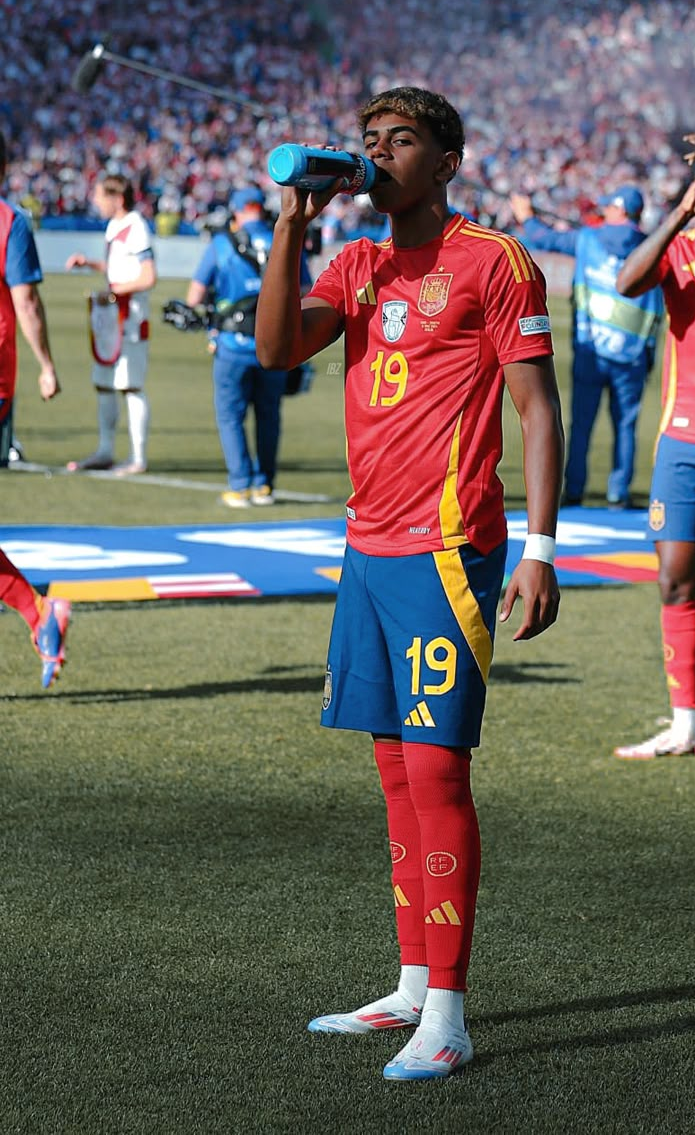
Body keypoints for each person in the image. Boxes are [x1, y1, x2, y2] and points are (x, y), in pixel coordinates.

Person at [256, 87, 564, 1081]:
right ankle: (407, 981)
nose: (377, 154)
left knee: (437, 774)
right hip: (367, 550)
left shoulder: (494, 259)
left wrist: (542, 547)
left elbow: (536, 407)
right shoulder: (354, 261)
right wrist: (289, 231)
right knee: (393, 774)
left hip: (444, 553)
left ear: (447, 160)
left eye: (400, 140)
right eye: (369, 141)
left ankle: (449, 1011)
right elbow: (274, 348)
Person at [613, 133, 695, 759]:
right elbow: (627, 282)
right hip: (684, 444)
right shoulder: (679, 246)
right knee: (674, 584)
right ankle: (684, 723)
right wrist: (678, 215)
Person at [510, 185, 663, 508]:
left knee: (580, 426)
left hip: (591, 351)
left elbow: (545, 238)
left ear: (620, 210)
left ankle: (575, 490)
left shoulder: (588, 239)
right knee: (625, 427)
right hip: (633, 354)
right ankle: (617, 493)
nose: (603, 211)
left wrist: (526, 215)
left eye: (608, 207)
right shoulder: (651, 248)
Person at [185, 186, 309, 508]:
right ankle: (265, 485)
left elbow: (194, 296)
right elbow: (306, 290)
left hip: (232, 345)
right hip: (275, 347)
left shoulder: (221, 244)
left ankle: (240, 485)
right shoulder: (285, 238)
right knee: (269, 416)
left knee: (231, 417)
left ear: (237, 212)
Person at [0, 129, 70, 686]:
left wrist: (45, 363)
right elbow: (24, 299)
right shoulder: (11, 223)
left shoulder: (12, 223)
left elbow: (26, 300)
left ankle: (38, 612)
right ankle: (38, 612)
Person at [65, 173, 156, 476]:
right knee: (104, 383)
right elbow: (120, 267)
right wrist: (89, 264)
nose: (95, 200)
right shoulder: (115, 227)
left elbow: (147, 276)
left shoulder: (137, 227)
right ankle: (105, 450)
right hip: (112, 318)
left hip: (130, 319)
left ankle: (137, 457)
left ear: (117, 199)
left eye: (100, 195)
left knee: (131, 385)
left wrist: (113, 291)